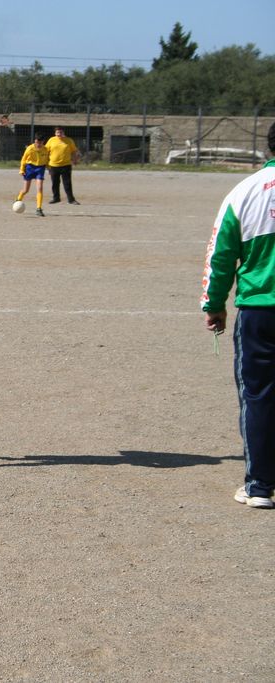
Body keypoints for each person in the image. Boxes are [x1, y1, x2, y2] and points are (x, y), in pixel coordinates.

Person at [201, 122, 275, 509]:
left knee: (258, 395)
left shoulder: (246, 191)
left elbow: (221, 254)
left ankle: (259, 485)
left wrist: (214, 304)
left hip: (260, 311)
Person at [45, 126, 80, 205]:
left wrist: (75, 160)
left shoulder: (69, 140)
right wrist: (46, 164)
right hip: (53, 165)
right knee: (55, 183)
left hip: (66, 165)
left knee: (67, 183)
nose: (59, 134)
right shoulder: (51, 140)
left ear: (63, 132)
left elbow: (74, 151)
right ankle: (56, 198)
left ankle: (71, 200)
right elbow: (46, 151)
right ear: (55, 133)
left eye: (60, 132)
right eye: (57, 132)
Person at [16, 133, 49, 216]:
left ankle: (39, 208)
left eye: (40, 143)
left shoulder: (46, 149)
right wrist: (21, 169)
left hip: (40, 169)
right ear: (35, 140)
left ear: (43, 142)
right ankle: (18, 199)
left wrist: (49, 168)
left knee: (40, 188)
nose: (38, 144)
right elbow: (23, 159)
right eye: (37, 142)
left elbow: (47, 160)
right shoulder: (30, 148)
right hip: (29, 168)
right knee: (26, 190)